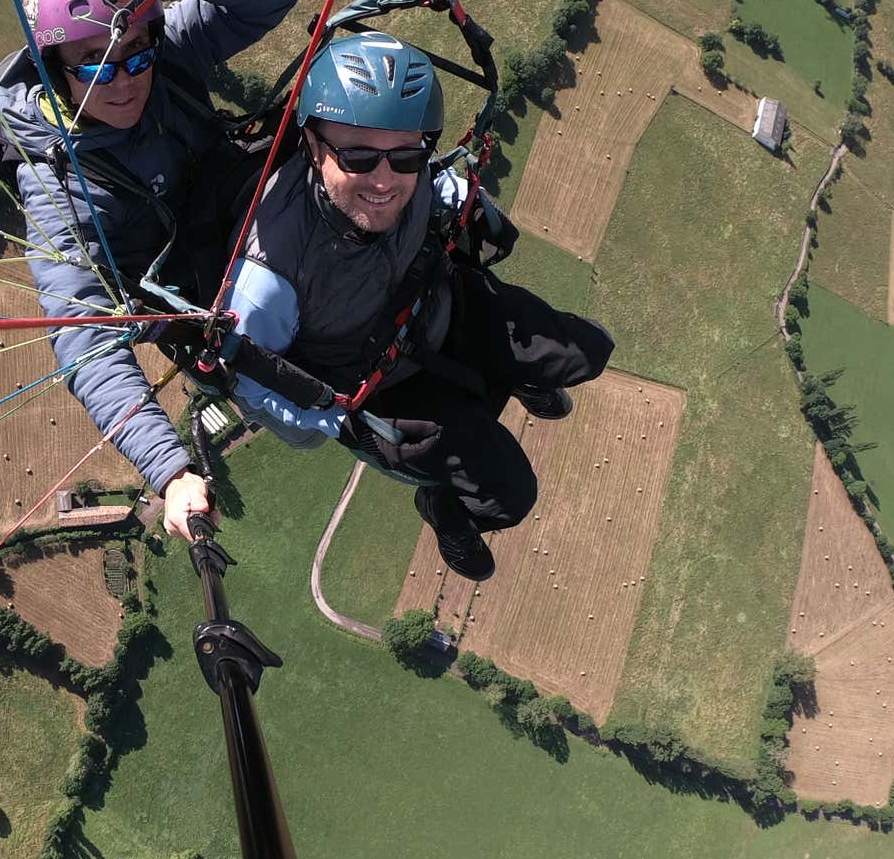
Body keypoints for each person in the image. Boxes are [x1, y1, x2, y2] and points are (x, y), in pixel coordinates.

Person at [224, 30, 614, 579]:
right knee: (509, 494)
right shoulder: (268, 279)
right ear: (311, 145)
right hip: (379, 390)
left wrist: (472, 206)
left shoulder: (410, 174)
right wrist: (333, 416)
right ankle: (445, 512)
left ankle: (511, 372)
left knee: (588, 350)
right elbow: (269, 400)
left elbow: (435, 182)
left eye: (404, 153)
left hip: (435, 303)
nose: (384, 179)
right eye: (358, 155)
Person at [0, 0, 302, 541]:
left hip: (239, 209)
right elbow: (85, 340)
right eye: (95, 66)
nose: (126, 80)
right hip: (202, 295)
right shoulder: (56, 185)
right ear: (53, 70)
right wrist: (171, 470)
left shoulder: (166, 52)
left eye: (133, 54)